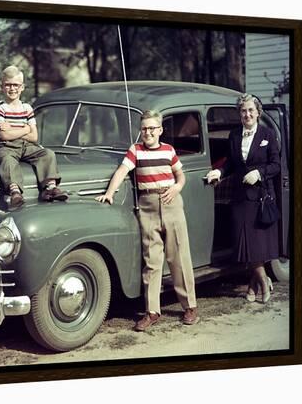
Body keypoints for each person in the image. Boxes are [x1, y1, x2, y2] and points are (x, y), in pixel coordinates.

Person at [95, 110, 198, 331]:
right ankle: (152, 311)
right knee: (152, 261)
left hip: (171, 203)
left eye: (152, 128)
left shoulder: (169, 150)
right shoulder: (135, 150)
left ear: (160, 130)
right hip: (147, 206)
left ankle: (190, 307)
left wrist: (177, 187)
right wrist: (110, 193)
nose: (148, 132)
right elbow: (122, 171)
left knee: (178, 256)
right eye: (144, 129)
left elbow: (181, 176)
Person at [206, 93, 280, 304]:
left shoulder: (267, 134)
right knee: (244, 244)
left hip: (261, 197)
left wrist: (259, 173)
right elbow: (231, 162)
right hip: (239, 198)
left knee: (256, 245)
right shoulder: (234, 135)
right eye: (243, 111)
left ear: (258, 113)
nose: (247, 114)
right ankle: (264, 281)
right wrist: (219, 172)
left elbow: (276, 164)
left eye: (250, 110)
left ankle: (253, 287)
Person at [0, 65, 68, 209]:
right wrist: (25, 128)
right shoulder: (0, 107)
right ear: (1, 87)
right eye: (7, 85)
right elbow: (4, 135)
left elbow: (34, 136)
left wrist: (14, 128)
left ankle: (49, 187)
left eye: (15, 85)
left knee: (47, 154)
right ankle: (15, 192)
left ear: (22, 87)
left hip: (26, 145)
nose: (12, 88)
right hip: (6, 146)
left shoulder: (27, 108)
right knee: (7, 160)